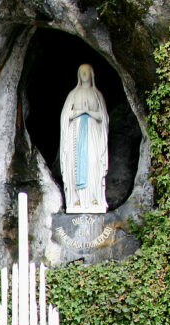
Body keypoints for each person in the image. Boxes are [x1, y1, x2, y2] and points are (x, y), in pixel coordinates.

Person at [59, 63, 109, 214]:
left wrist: (89, 112)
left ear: (92, 73)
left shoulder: (97, 95)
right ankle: (77, 200)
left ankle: (94, 199)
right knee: (75, 164)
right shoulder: (73, 94)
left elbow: (103, 117)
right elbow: (65, 116)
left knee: (93, 163)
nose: (84, 74)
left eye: (87, 71)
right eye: (81, 71)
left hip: (93, 133)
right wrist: (80, 112)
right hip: (76, 134)